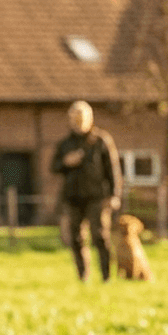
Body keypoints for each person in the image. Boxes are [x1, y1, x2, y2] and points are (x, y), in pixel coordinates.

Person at [50, 100, 122, 282]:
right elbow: (54, 166)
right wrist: (67, 162)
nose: (78, 121)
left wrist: (115, 195)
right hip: (73, 197)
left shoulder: (101, 141)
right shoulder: (65, 144)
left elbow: (113, 169)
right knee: (76, 239)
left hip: (97, 196)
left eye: (82, 117)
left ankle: (106, 277)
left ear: (90, 118)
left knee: (100, 236)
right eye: (75, 118)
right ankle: (83, 276)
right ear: (70, 120)